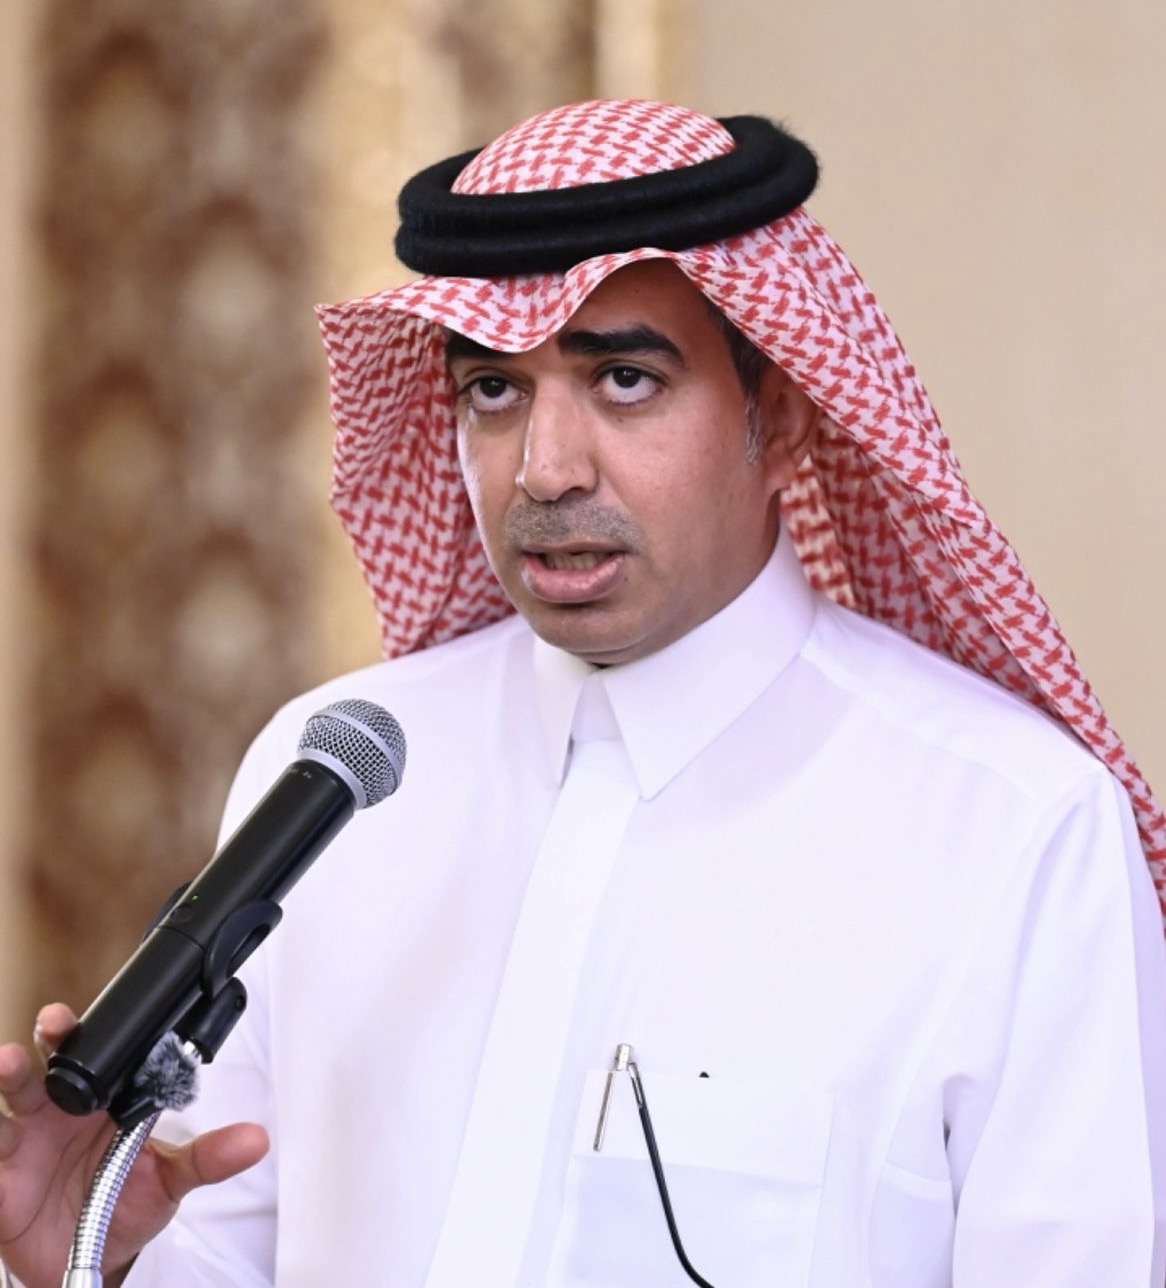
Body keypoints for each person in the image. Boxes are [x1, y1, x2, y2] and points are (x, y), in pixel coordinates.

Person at [1, 98, 1164, 1288]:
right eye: (492, 392)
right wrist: (88, 1264)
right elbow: (229, 1252)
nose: (544, 470)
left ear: (780, 418)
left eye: (622, 378)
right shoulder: (333, 772)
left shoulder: (1015, 832)